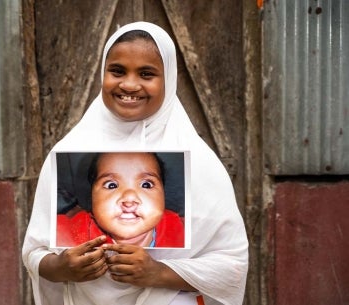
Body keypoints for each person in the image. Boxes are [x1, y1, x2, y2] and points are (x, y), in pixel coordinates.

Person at [22, 21, 248, 305]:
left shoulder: (202, 166)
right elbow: (34, 251)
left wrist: (158, 273)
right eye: (117, 71)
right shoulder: (68, 150)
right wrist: (60, 267)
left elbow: (231, 266)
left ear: (169, 80)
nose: (129, 84)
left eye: (146, 73)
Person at [56, 152, 185, 248]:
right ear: (92, 198)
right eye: (111, 185)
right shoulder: (73, 232)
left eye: (146, 184)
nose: (129, 199)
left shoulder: (182, 230)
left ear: (164, 194)